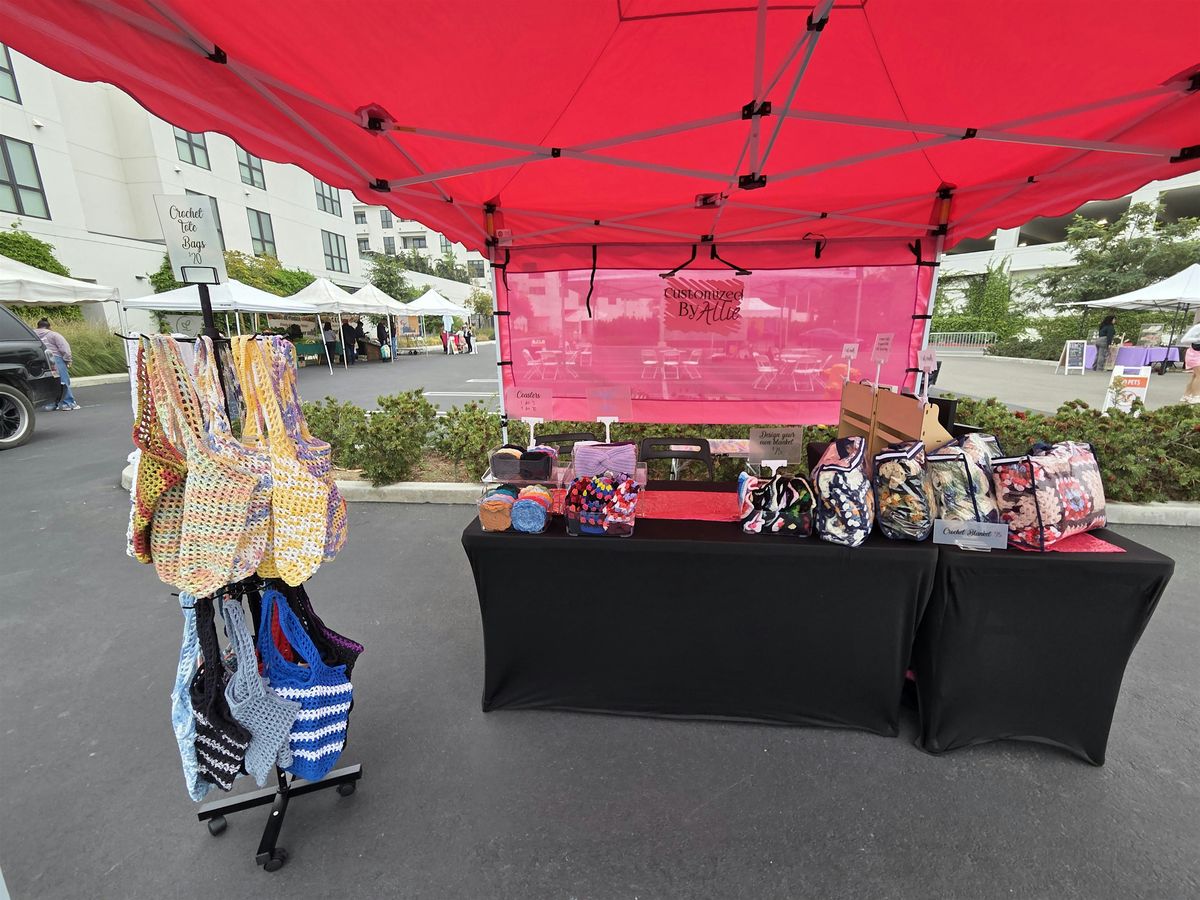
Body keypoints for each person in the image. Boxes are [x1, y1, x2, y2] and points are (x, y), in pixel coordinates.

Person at [35, 318, 79, 410]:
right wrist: (68, 360)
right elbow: (64, 348)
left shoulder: (32, 335)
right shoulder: (53, 335)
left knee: (48, 382)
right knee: (62, 381)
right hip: (54, 360)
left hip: (40, 361)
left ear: (38, 326)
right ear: (49, 327)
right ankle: (67, 403)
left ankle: (50, 404)